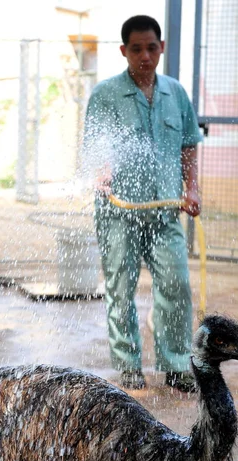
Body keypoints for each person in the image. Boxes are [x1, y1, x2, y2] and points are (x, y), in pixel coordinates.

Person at [84, 15, 202, 392]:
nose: (145, 56)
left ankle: (176, 363)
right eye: (136, 49)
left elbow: (188, 145)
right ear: (124, 51)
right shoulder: (106, 94)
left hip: (166, 210)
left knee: (176, 284)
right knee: (121, 287)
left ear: (162, 48)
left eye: (152, 47)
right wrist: (102, 171)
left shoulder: (176, 93)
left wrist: (193, 188)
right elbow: (97, 144)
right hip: (120, 212)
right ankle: (129, 363)